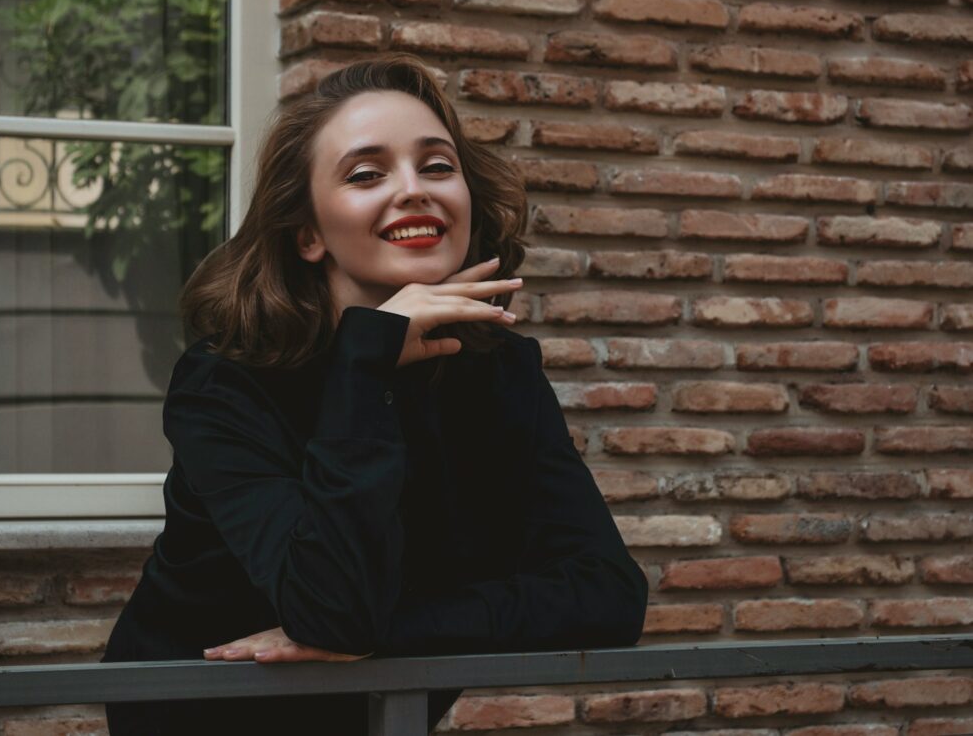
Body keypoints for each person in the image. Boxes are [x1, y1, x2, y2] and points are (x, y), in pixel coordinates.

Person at [102, 53, 648, 735]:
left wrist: (400, 631)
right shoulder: (223, 382)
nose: (414, 189)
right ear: (307, 232)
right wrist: (367, 356)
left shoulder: (500, 371)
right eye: (367, 174)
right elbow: (332, 607)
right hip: (204, 720)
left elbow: (610, 592)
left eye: (438, 165)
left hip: (381, 714)